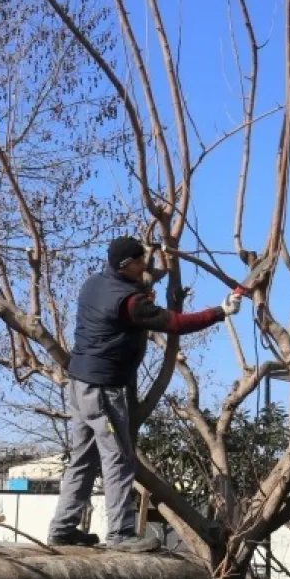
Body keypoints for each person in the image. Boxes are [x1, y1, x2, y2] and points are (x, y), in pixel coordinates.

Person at [47, 236, 242, 553]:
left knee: (83, 458)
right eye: (141, 261)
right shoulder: (130, 302)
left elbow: (128, 309)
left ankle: (62, 529)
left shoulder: (95, 284)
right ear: (126, 265)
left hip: (80, 383)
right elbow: (175, 322)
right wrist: (220, 311)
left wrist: (144, 292)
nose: (145, 266)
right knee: (119, 458)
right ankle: (121, 533)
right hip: (103, 390)